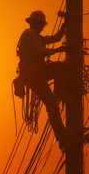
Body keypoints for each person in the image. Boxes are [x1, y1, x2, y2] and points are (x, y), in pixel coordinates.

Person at [16, 10, 69, 150]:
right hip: (32, 76)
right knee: (51, 105)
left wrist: (65, 27)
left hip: (38, 73)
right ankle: (62, 138)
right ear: (34, 23)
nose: (41, 27)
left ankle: (60, 92)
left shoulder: (36, 36)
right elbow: (40, 51)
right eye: (40, 24)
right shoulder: (29, 34)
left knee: (61, 67)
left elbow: (55, 38)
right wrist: (58, 50)